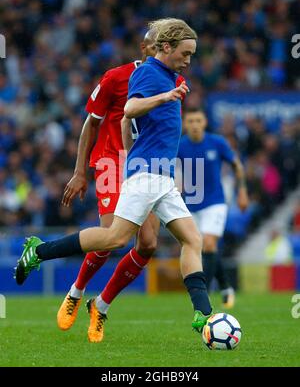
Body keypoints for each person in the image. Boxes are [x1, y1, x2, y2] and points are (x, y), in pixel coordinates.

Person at [15, 18, 213, 343]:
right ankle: (41, 254)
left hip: (159, 174)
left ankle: (202, 314)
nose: (189, 60)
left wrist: (141, 155)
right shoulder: (144, 75)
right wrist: (87, 170)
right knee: (113, 239)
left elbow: (129, 124)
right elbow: (129, 110)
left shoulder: (172, 77)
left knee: (188, 240)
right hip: (132, 169)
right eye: (186, 52)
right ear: (159, 47)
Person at [56, 22, 186, 341]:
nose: (163, 51)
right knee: (112, 234)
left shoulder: (177, 80)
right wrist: (79, 171)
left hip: (148, 164)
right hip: (112, 161)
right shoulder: (116, 77)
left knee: (149, 244)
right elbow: (92, 123)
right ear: (147, 48)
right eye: (158, 46)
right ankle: (75, 291)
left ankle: (100, 305)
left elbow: (168, 130)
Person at [177, 109, 249, 307]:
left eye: (198, 120)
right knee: (204, 247)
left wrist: (242, 191)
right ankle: (226, 285)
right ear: (185, 123)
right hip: (190, 205)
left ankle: (204, 294)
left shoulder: (217, 142)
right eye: (190, 121)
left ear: (205, 121)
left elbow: (237, 165)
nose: (194, 124)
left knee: (208, 243)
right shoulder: (180, 145)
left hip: (215, 202)